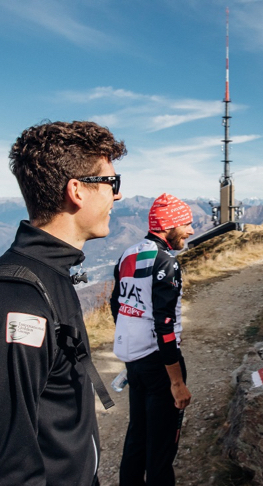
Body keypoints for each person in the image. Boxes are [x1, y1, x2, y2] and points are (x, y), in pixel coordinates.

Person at [0, 121, 126, 485]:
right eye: (112, 184)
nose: (117, 196)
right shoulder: (14, 303)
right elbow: (10, 466)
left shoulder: (49, 277)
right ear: (78, 191)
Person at [111, 193, 195, 486]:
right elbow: (166, 325)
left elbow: (117, 305)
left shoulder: (129, 254)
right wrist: (176, 382)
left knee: (138, 435)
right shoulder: (166, 262)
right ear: (168, 224)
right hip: (160, 362)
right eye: (186, 223)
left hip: (134, 359)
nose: (191, 230)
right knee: (161, 448)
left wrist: (131, 343)